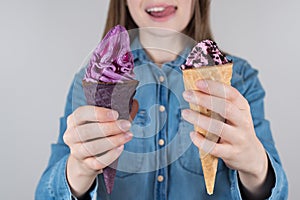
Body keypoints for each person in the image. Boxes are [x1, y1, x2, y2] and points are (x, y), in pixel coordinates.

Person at [35, 0, 288, 199]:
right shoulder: (92, 80)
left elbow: (278, 194)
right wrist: (79, 169)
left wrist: (255, 166)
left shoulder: (240, 80)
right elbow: (45, 196)